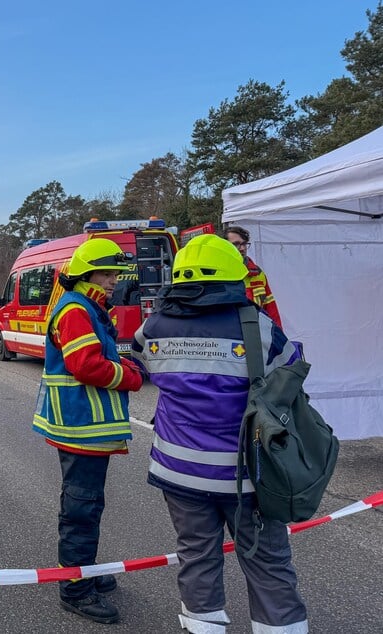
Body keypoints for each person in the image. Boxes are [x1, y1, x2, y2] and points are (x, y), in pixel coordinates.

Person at [132, 234, 307, 633]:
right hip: (247, 476)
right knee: (267, 563)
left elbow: (142, 359)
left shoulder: (155, 324)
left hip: (177, 471)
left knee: (196, 556)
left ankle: (202, 626)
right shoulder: (255, 326)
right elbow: (291, 367)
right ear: (233, 276)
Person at [32, 238, 144, 625]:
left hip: (85, 427)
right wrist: (130, 377)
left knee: (87, 505)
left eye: (115, 273)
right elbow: (86, 365)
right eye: (106, 273)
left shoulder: (86, 307)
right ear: (85, 275)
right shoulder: (77, 309)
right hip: (80, 427)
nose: (113, 280)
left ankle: (85, 571)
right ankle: (75, 589)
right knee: (81, 507)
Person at [224, 225, 283, 328]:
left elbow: (271, 310)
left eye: (244, 244)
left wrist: (278, 336)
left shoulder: (258, 274)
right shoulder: (219, 274)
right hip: (230, 333)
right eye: (236, 244)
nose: (242, 248)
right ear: (225, 247)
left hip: (256, 333)